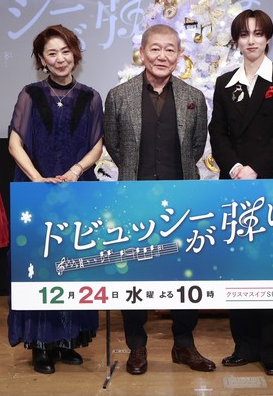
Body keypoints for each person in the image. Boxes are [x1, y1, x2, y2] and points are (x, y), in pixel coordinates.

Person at [103, 24, 215, 376]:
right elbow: (114, 145)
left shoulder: (193, 97)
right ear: (142, 52)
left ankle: (184, 344)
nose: (162, 56)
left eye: (170, 49)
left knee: (184, 274)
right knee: (133, 274)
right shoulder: (119, 96)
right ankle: (137, 346)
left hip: (181, 202)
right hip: (134, 200)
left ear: (179, 54)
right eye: (155, 48)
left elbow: (196, 147)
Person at [208, 9, 273, 376]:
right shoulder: (225, 82)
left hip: (272, 185)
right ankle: (244, 345)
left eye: (258, 33)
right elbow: (218, 132)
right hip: (235, 186)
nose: (251, 40)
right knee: (239, 267)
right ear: (236, 40)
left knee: (272, 267)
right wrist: (234, 168)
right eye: (244, 34)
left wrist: (255, 169)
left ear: (268, 38)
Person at [7, 24, 104, 374]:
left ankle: (68, 339)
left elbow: (97, 145)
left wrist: (76, 171)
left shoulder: (90, 97)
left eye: (66, 51)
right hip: (37, 191)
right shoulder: (30, 95)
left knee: (75, 261)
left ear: (75, 54)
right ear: (41, 60)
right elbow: (14, 143)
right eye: (52, 53)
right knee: (40, 264)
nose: (60, 59)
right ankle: (41, 344)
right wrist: (38, 181)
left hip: (77, 190)